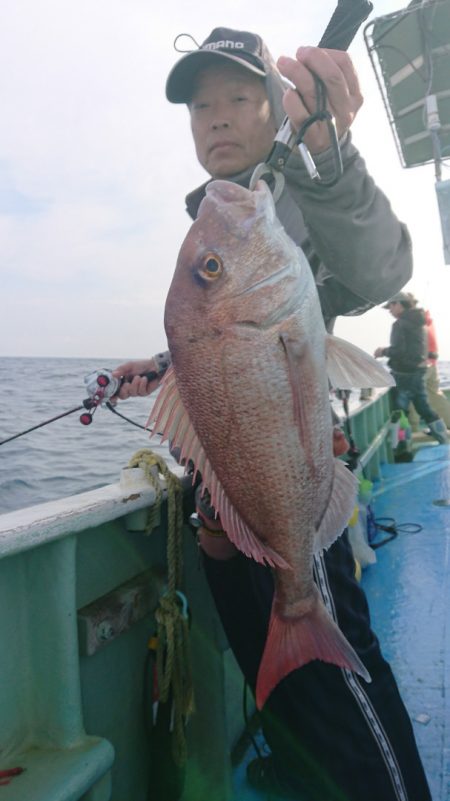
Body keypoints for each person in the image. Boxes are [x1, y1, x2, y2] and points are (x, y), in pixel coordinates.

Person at [113, 28, 432, 801]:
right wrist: (160, 366)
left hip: (283, 471)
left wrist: (328, 157)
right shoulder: (227, 217)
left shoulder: (294, 191)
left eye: (239, 98)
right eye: (200, 107)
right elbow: (223, 336)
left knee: (339, 680)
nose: (216, 118)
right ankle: (303, 768)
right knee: (277, 670)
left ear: (277, 109)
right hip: (227, 495)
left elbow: (379, 267)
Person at [374, 291, 449, 445]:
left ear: (400, 304)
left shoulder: (400, 324)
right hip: (417, 372)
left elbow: (399, 350)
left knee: (399, 412)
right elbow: (416, 349)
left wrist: (383, 351)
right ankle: (444, 439)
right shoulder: (419, 322)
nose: (389, 310)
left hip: (404, 374)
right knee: (424, 408)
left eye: (391, 306)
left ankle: (400, 448)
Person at [404, 297, 450, 432]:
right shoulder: (426, 319)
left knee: (413, 396)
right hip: (432, 364)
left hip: (422, 365)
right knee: (435, 395)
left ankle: (413, 430)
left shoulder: (415, 321)